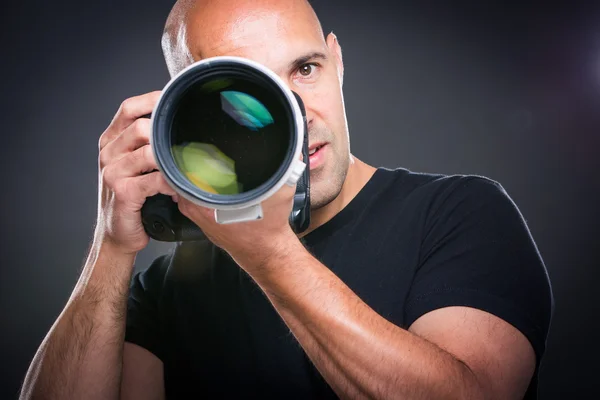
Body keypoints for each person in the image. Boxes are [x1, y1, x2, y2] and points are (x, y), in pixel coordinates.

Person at [20, 0, 553, 399]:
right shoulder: (172, 286)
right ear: (189, 110)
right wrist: (111, 247)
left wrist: (270, 255)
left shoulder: (460, 214)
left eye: (305, 69)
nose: (298, 115)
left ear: (338, 62)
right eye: (249, 90)